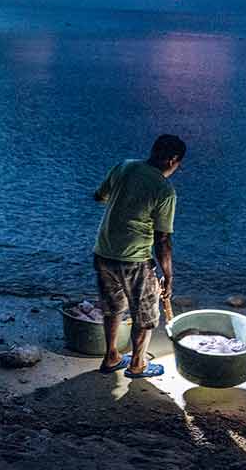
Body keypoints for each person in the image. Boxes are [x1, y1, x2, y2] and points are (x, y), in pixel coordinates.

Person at [92, 134, 185, 378]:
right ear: (172, 160)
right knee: (145, 314)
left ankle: (111, 356)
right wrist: (168, 275)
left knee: (113, 308)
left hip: (104, 252)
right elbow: (162, 239)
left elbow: (99, 196)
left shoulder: (125, 166)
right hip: (134, 260)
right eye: (178, 164)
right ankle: (137, 364)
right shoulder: (165, 190)